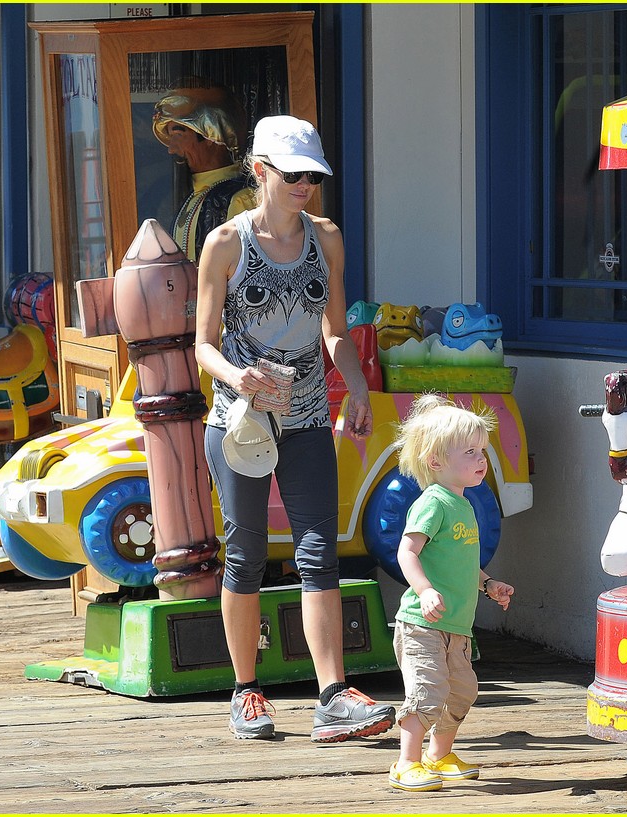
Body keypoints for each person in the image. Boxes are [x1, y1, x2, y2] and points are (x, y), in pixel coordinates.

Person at [194, 115, 394, 742]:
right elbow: (201, 345)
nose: (306, 184)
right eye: (294, 173)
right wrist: (236, 375)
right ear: (259, 171)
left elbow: (335, 330)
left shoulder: (326, 239)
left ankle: (332, 694)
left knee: (319, 552)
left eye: (313, 174)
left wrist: (356, 385)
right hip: (241, 423)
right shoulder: (225, 244)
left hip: (307, 414)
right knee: (247, 553)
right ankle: (246, 691)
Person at [388, 395, 515, 792]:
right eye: (470, 452)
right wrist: (424, 591)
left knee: (462, 691)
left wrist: (488, 583)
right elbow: (406, 552)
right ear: (436, 461)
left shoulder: (464, 505)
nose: (482, 460)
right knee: (427, 693)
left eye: (483, 451)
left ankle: (438, 755)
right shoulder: (433, 503)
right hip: (422, 623)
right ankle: (405, 762)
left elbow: (461, 563)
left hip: (457, 625)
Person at [153, 82, 256, 262]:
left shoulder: (240, 198)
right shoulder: (194, 197)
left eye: (178, 135)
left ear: (211, 134)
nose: (171, 148)